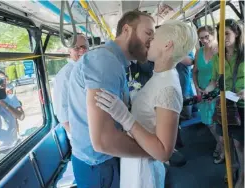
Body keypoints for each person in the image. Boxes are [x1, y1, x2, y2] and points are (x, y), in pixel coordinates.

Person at [95, 20, 197, 188]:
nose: (149, 41)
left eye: (154, 37)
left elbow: (164, 152)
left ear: (167, 46)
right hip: (136, 158)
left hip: (143, 171)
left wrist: (125, 118)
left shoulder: (168, 89)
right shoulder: (160, 76)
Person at [68, 11, 155, 188]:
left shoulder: (112, 60)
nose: (152, 41)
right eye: (148, 33)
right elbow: (104, 140)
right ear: (126, 30)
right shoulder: (105, 62)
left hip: (96, 162)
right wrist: (152, 152)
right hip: (98, 165)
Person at [205, 19, 244, 188]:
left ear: (236, 33)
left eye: (227, 33)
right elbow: (214, 80)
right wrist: (207, 90)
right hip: (226, 103)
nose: (223, 38)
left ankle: (242, 176)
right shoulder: (217, 58)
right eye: (220, 35)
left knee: (239, 143)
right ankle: (234, 167)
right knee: (226, 141)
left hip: (242, 104)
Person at [192, 25, 220, 159]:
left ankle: (222, 147)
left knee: (218, 122)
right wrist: (197, 87)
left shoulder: (220, 50)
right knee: (209, 123)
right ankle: (219, 145)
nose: (204, 40)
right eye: (201, 38)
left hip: (217, 90)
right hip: (202, 90)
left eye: (206, 37)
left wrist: (214, 90)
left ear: (213, 35)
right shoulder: (199, 52)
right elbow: (195, 72)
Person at [53, 34, 89, 137]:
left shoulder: (88, 69)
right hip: (82, 135)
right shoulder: (65, 75)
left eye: (84, 47)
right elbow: (62, 114)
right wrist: (80, 138)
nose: (82, 51)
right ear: (70, 51)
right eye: (76, 48)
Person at [0, 70, 25, 164]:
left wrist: (4, 104)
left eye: (4, 79)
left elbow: (21, 116)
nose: (2, 83)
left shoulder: (11, 97)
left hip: (15, 145)